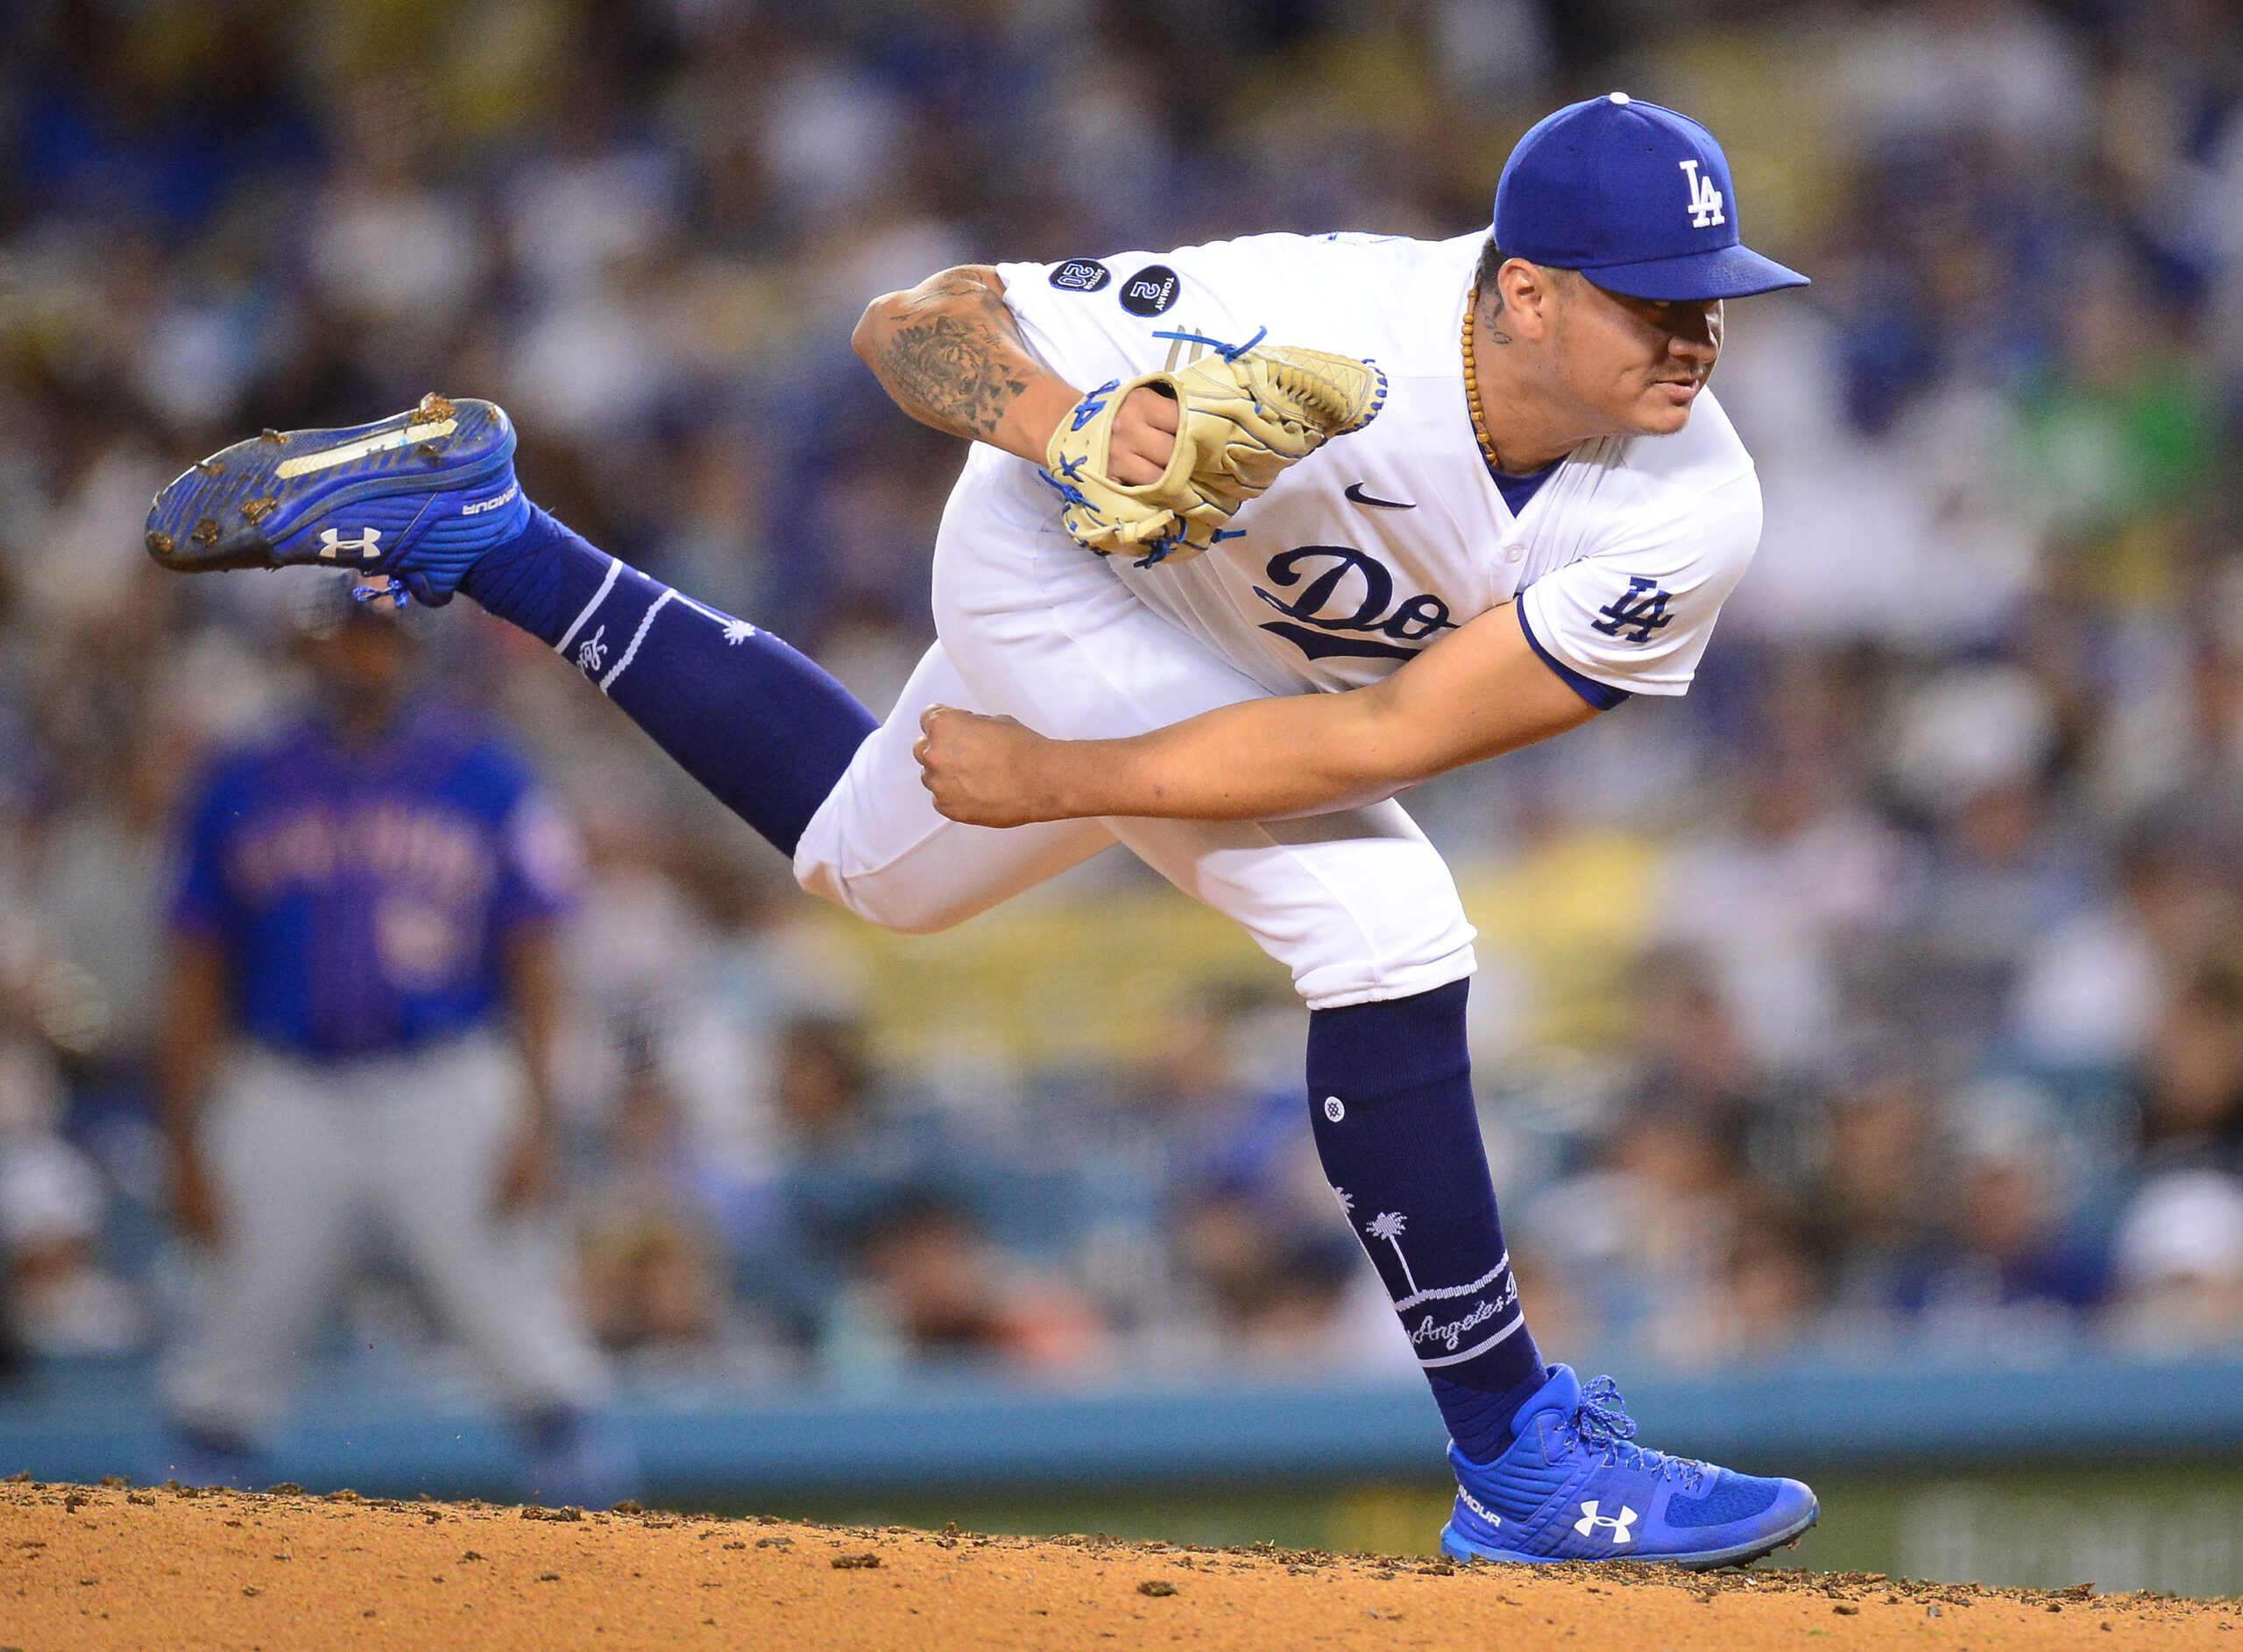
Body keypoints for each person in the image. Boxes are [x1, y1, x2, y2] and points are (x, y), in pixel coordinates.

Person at [146, 95, 1813, 1565]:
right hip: (1057, 577)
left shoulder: (1690, 500)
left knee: (873, 867)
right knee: (1385, 930)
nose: (1698, 341)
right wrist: (1068, 423)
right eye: (1657, 305)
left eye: (1716, 304)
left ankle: (491, 530)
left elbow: (1384, 732)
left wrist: (1063, 779)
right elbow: (911, 323)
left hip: (1230, 667)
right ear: (1523, 289)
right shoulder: (1321, 312)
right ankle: (1514, 1453)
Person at [153, 575, 632, 1507]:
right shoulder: (241, 778)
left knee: (525, 1335)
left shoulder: (486, 772)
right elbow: (194, 970)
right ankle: (175, 1584)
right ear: (307, 649)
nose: (361, 656)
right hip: (283, 1087)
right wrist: (183, 1138)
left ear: (411, 648)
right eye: (343, 638)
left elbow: (536, 959)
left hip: (443, 1083)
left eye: (378, 638)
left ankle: (602, 1551)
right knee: (229, 1347)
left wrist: (538, 1114)